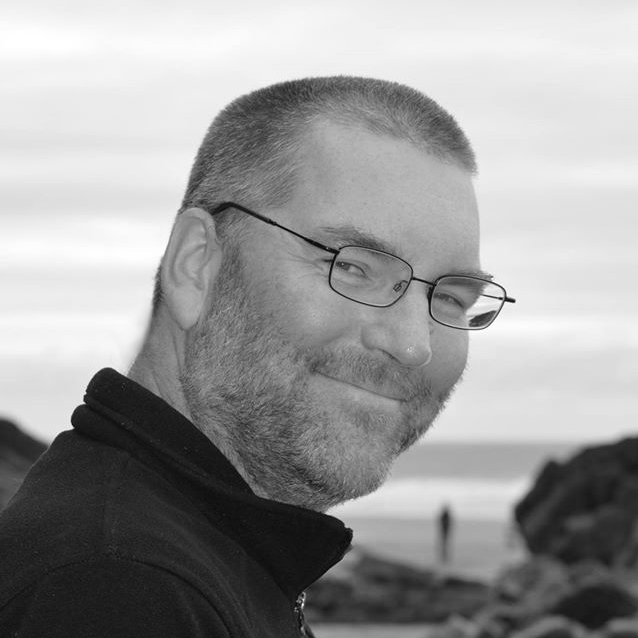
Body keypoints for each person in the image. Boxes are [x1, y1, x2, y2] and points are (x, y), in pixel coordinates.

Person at [0, 76, 515, 637]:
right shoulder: (117, 589)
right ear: (196, 265)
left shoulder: (205, 558)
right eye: (352, 267)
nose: (414, 344)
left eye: (451, 297)